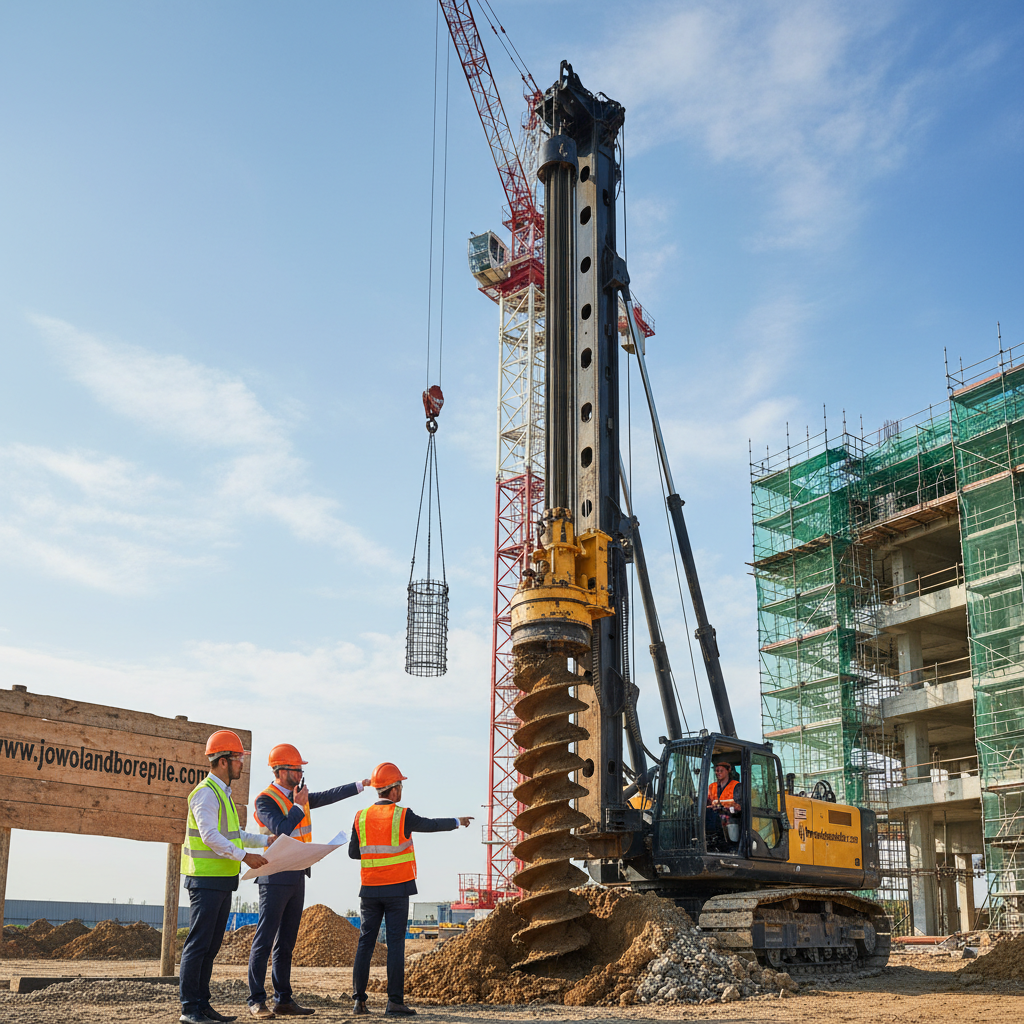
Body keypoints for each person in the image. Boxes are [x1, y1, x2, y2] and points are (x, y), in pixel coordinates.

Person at [246, 744, 371, 1019]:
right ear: (280, 771)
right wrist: (299, 806)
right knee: (265, 939)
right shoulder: (265, 800)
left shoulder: (298, 797)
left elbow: (328, 796)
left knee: (286, 942)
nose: (301, 773)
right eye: (296, 769)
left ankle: (283, 1000)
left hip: (297, 873)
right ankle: (256, 1000)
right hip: (274, 875)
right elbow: (281, 829)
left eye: (301, 769)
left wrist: (359, 786)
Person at [349, 762, 473, 1016]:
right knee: (395, 945)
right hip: (397, 889)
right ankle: (394, 1003)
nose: (402, 790)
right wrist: (457, 822)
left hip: (370, 890)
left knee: (365, 944)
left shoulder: (360, 817)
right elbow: (430, 825)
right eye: (401, 785)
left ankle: (359, 1002)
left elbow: (353, 853)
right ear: (393, 790)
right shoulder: (402, 815)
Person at [179, 730, 274, 1024]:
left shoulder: (223, 795)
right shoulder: (206, 794)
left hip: (221, 881)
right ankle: (189, 1009)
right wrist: (245, 856)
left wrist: (265, 842)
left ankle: (202, 1005)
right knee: (198, 945)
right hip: (205, 881)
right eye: (237, 758)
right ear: (223, 761)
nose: (241, 764)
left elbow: (234, 835)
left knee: (210, 947)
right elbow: (210, 837)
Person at [707, 758, 741, 847]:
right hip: (715, 822)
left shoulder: (736, 785)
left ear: (728, 770)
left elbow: (739, 806)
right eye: (716, 771)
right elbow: (706, 804)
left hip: (731, 820)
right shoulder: (711, 787)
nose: (718, 773)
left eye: (721, 770)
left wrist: (720, 804)